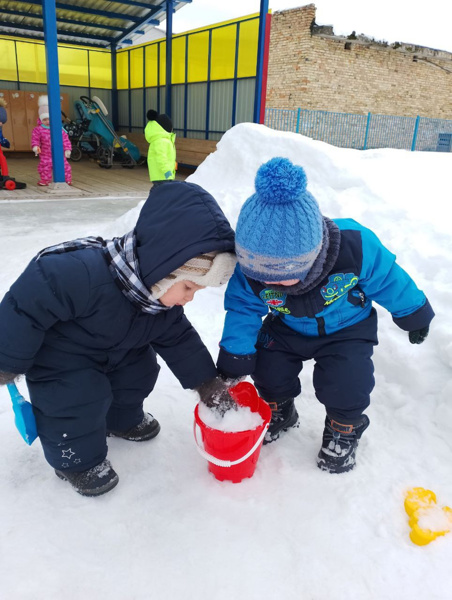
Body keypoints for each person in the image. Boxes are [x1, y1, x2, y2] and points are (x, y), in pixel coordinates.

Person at [0, 181, 236, 496]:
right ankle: (77, 461)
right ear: (163, 270)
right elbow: (26, 306)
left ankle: (121, 420)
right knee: (78, 397)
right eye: (189, 288)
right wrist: (7, 359)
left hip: (118, 351)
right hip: (63, 357)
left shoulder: (159, 304)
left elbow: (182, 343)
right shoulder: (81, 274)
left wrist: (208, 385)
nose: (190, 299)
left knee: (140, 371)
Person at [214, 157, 434, 474]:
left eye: (278, 277)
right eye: (260, 276)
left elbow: (388, 278)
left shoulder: (354, 246)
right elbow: (243, 306)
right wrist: (236, 353)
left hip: (347, 329)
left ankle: (343, 428)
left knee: (347, 383)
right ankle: (280, 409)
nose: (267, 284)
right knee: (268, 365)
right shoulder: (253, 271)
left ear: (310, 256)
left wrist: (413, 313)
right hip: (287, 326)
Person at [31, 95, 72, 186]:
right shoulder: (38, 130)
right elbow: (35, 139)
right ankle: (45, 180)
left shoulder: (58, 129)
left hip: (59, 152)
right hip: (45, 153)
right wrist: (35, 146)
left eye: (49, 119)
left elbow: (65, 140)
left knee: (64, 166)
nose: (48, 121)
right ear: (41, 120)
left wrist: (67, 149)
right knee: (44, 166)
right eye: (44, 119)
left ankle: (67, 179)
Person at [144, 109, 176, 184]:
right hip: (163, 175)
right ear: (165, 128)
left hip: (161, 175)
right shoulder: (161, 141)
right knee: (164, 194)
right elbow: (161, 157)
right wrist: (167, 171)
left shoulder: (162, 140)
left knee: (160, 193)